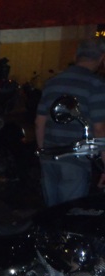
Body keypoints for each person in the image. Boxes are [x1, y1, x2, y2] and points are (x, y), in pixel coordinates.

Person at [35, 38, 105, 206]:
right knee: (70, 212)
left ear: (75, 56)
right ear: (102, 58)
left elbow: (39, 122)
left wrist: (44, 153)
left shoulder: (52, 82)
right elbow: (99, 129)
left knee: (52, 211)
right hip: (76, 160)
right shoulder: (96, 84)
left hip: (49, 158)